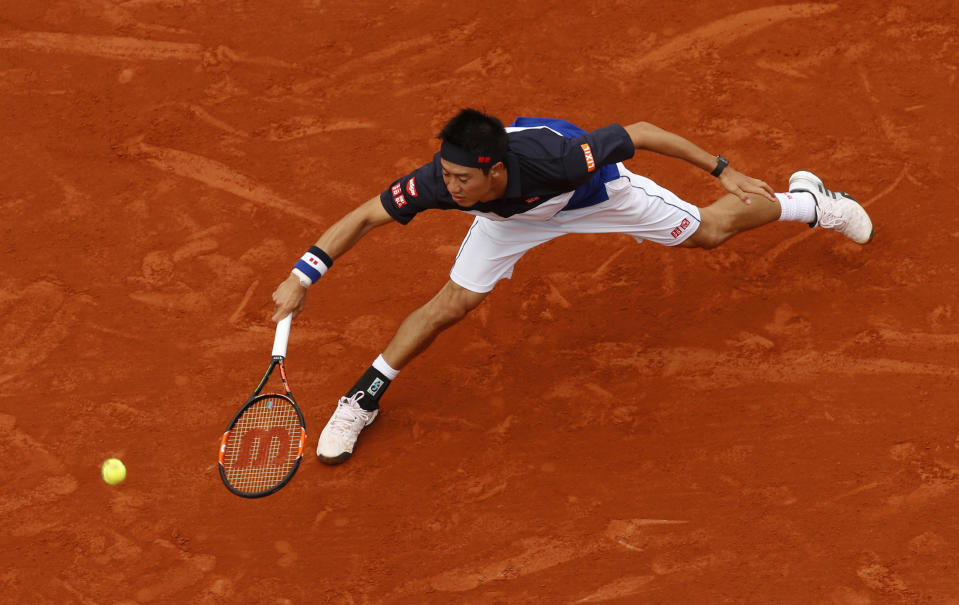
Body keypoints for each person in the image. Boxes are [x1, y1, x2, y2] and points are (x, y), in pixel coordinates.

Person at [270, 109, 873, 465]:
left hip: (596, 196)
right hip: (507, 221)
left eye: (459, 179)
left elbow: (641, 131)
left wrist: (726, 171)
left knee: (708, 232)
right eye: (444, 175)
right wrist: (303, 275)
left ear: (494, 170)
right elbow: (362, 217)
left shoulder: (563, 157)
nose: (446, 187)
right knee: (451, 304)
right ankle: (362, 399)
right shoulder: (439, 181)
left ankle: (810, 203)